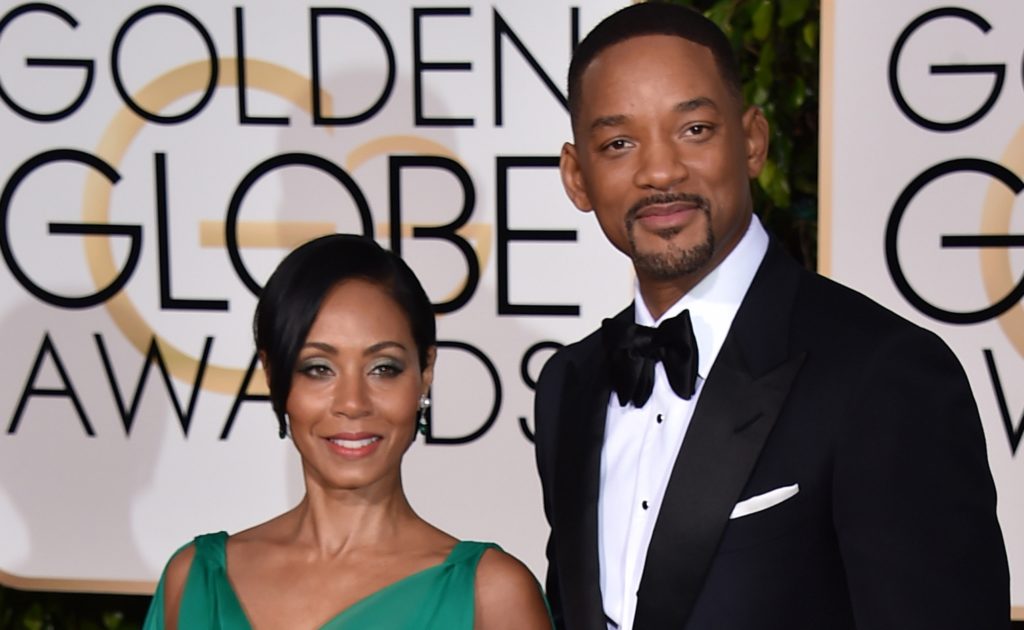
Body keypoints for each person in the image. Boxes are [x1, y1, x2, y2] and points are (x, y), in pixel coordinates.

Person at [533, 3, 1009, 629]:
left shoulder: (883, 374)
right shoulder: (570, 385)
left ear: (752, 140)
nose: (659, 172)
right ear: (577, 177)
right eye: (619, 143)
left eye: (694, 129)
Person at [144, 234, 552, 629]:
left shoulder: (491, 597)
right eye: (318, 369)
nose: (353, 403)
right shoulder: (195, 580)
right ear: (274, 375)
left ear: (425, 373)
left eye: (383, 368)